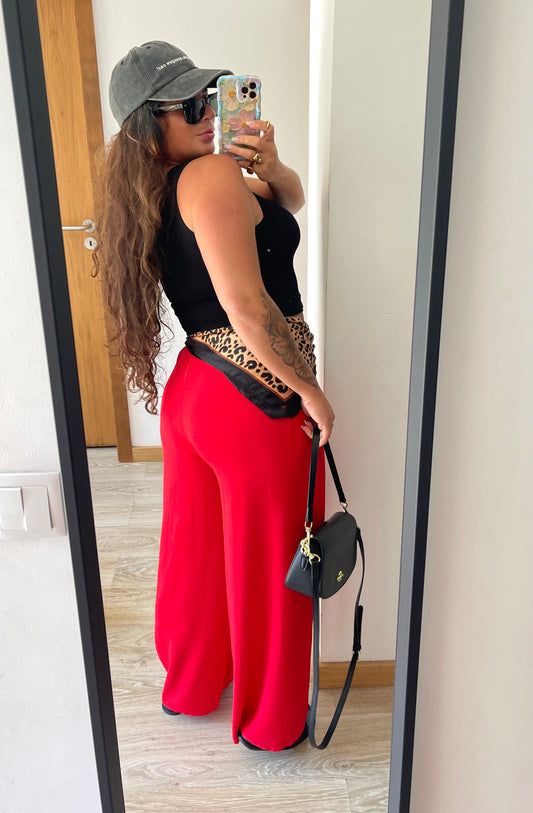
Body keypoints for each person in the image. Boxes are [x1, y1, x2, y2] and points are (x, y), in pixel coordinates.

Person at [97, 40, 335, 752]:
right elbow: (249, 306)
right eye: (189, 106)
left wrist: (271, 165)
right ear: (149, 125)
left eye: (211, 98)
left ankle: (193, 684)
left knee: (197, 550)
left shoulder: (161, 187)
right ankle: (270, 725)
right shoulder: (209, 175)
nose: (208, 113)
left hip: (198, 390)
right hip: (254, 397)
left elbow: (287, 202)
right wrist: (309, 390)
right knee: (272, 564)